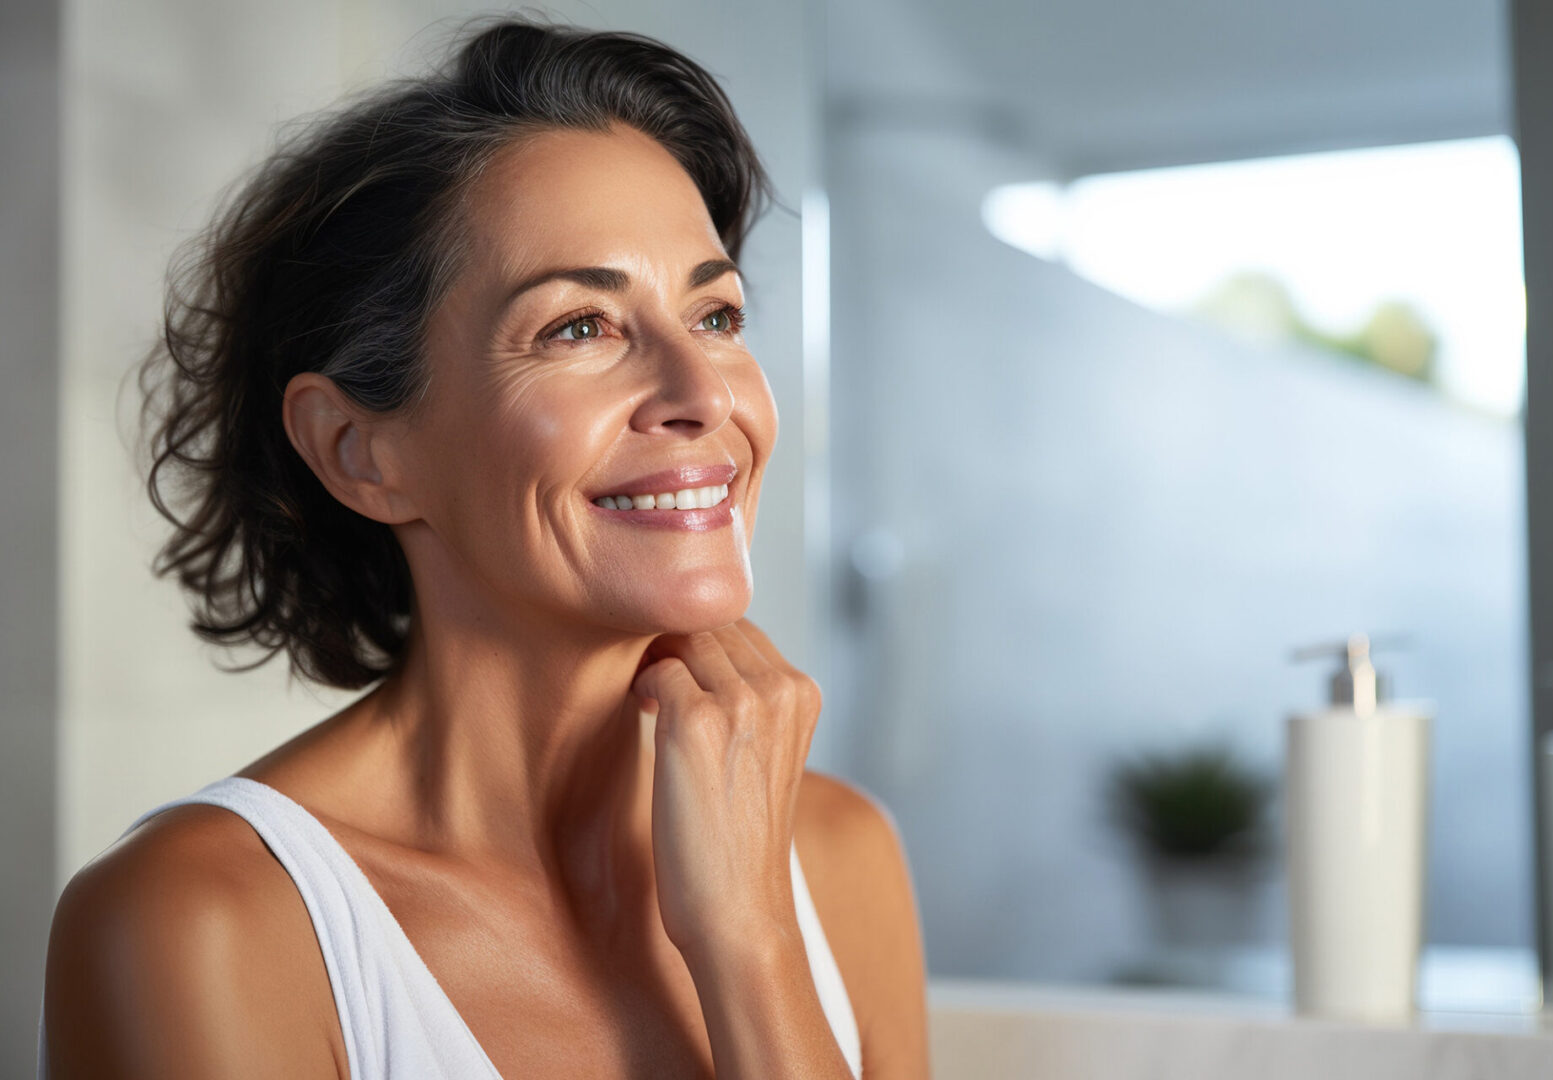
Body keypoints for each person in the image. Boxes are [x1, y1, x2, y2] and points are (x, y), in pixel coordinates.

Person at [38, 16, 929, 1079]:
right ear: (361, 452)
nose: (702, 398)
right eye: (579, 329)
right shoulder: (202, 922)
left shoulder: (838, 857)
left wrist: (747, 942)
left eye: (716, 314)